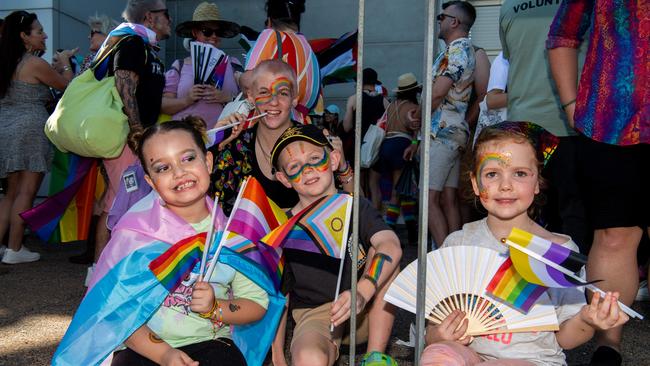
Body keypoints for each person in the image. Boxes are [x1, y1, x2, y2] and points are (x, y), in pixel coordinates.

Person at [53, 117, 274, 366]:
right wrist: (164, 354)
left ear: (208, 162)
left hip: (211, 344)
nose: (179, 172)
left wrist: (215, 307)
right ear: (150, 181)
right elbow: (116, 312)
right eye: (162, 168)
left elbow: (257, 305)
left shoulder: (233, 236)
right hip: (145, 347)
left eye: (188, 158)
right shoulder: (134, 237)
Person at [420, 122, 629, 365]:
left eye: (519, 173)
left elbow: (567, 339)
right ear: (476, 184)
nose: (505, 185)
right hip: (471, 354)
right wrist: (438, 334)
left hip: (534, 360)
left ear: (538, 182)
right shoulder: (458, 244)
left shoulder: (557, 251)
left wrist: (588, 320)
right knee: (438, 354)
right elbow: (433, 326)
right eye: (492, 174)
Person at [547, 1, 648, 364]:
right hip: (610, 122)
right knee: (614, 235)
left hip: (610, 121)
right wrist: (573, 103)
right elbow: (562, 34)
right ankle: (610, 340)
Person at [269, 124, 403, 366]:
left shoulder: (355, 206)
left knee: (384, 255)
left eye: (313, 159)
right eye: (294, 167)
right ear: (284, 179)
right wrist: (278, 354)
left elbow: (391, 244)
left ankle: (374, 356)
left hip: (364, 305)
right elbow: (280, 294)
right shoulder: (284, 228)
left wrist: (362, 292)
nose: (307, 170)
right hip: (315, 314)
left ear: (333, 159)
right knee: (308, 357)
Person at [499, 0, 590, 253]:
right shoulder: (579, 3)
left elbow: (511, 56)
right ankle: (571, 279)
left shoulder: (508, 6)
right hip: (569, 122)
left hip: (524, 127)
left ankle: (529, 280)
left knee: (528, 206)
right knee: (574, 208)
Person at [210, 59, 350, 214]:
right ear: (250, 96)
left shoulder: (315, 141)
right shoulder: (233, 145)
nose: (273, 102)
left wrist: (343, 167)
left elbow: (355, 212)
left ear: (294, 98)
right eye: (264, 92)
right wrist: (216, 142)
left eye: (283, 93)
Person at [93, 0, 171, 267]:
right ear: (150, 17)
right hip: (127, 138)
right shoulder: (133, 43)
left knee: (121, 199)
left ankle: (107, 266)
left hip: (136, 137)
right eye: (166, 14)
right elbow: (124, 85)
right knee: (118, 202)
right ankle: (101, 269)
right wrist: (137, 133)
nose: (169, 20)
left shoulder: (146, 46)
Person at [0, 10, 76, 264]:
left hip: (7, 127)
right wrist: (64, 62)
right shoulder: (32, 63)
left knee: (11, 193)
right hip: (30, 127)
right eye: (39, 31)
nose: (44, 36)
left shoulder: (9, 61)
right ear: (24, 36)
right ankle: (14, 248)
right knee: (27, 192)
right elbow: (68, 86)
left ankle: (6, 246)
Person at [409, 0, 476, 248]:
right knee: (448, 199)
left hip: (442, 133)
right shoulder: (461, 49)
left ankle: (442, 257)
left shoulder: (456, 50)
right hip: (452, 132)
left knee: (427, 200)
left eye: (442, 17)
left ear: (454, 22)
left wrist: (418, 115)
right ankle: (454, 253)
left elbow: (438, 92)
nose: (439, 20)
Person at [161, 2, 242, 128]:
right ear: (195, 33)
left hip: (223, 138)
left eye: (218, 32)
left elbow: (250, 98)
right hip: (186, 136)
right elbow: (164, 105)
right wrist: (187, 100)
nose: (214, 36)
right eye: (207, 31)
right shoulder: (180, 66)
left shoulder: (233, 64)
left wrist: (227, 97)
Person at [244, 0, 323, 124]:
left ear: (269, 21)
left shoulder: (270, 36)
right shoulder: (308, 49)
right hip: (300, 127)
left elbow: (248, 81)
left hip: (271, 123)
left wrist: (238, 77)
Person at [368, 73, 421, 241]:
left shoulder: (391, 106)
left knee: (401, 191)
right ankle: (390, 230)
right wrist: (414, 142)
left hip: (386, 147)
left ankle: (411, 230)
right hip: (401, 146)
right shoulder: (412, 107)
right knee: (399, 192)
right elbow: (414, 127)